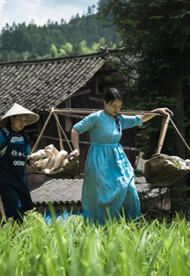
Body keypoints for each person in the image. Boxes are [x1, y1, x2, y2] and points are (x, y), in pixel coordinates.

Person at [71, 88, 173, 224]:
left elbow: (139, 119)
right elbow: (76, 129)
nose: (117, 109)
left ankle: (129, 223)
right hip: (99, 159)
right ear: (105, 103)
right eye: (114, 106)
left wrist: (155, 112)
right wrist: (76, 149)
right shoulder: (96, 117)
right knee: (103, 195)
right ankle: (101, 226)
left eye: (119, 106)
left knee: (128, 188)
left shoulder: (119, 119)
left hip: (117, 159)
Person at [0, 103, 39, 222]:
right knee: (15, 207)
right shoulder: (2, 135)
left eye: (25, 121)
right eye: (20, 119)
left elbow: (26, 157)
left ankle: (18, 236)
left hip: (20, 180)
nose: (22, 123)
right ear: (12, 119)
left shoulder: (24, 137)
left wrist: (36, 163)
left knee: (23, 211)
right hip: (6, 180)